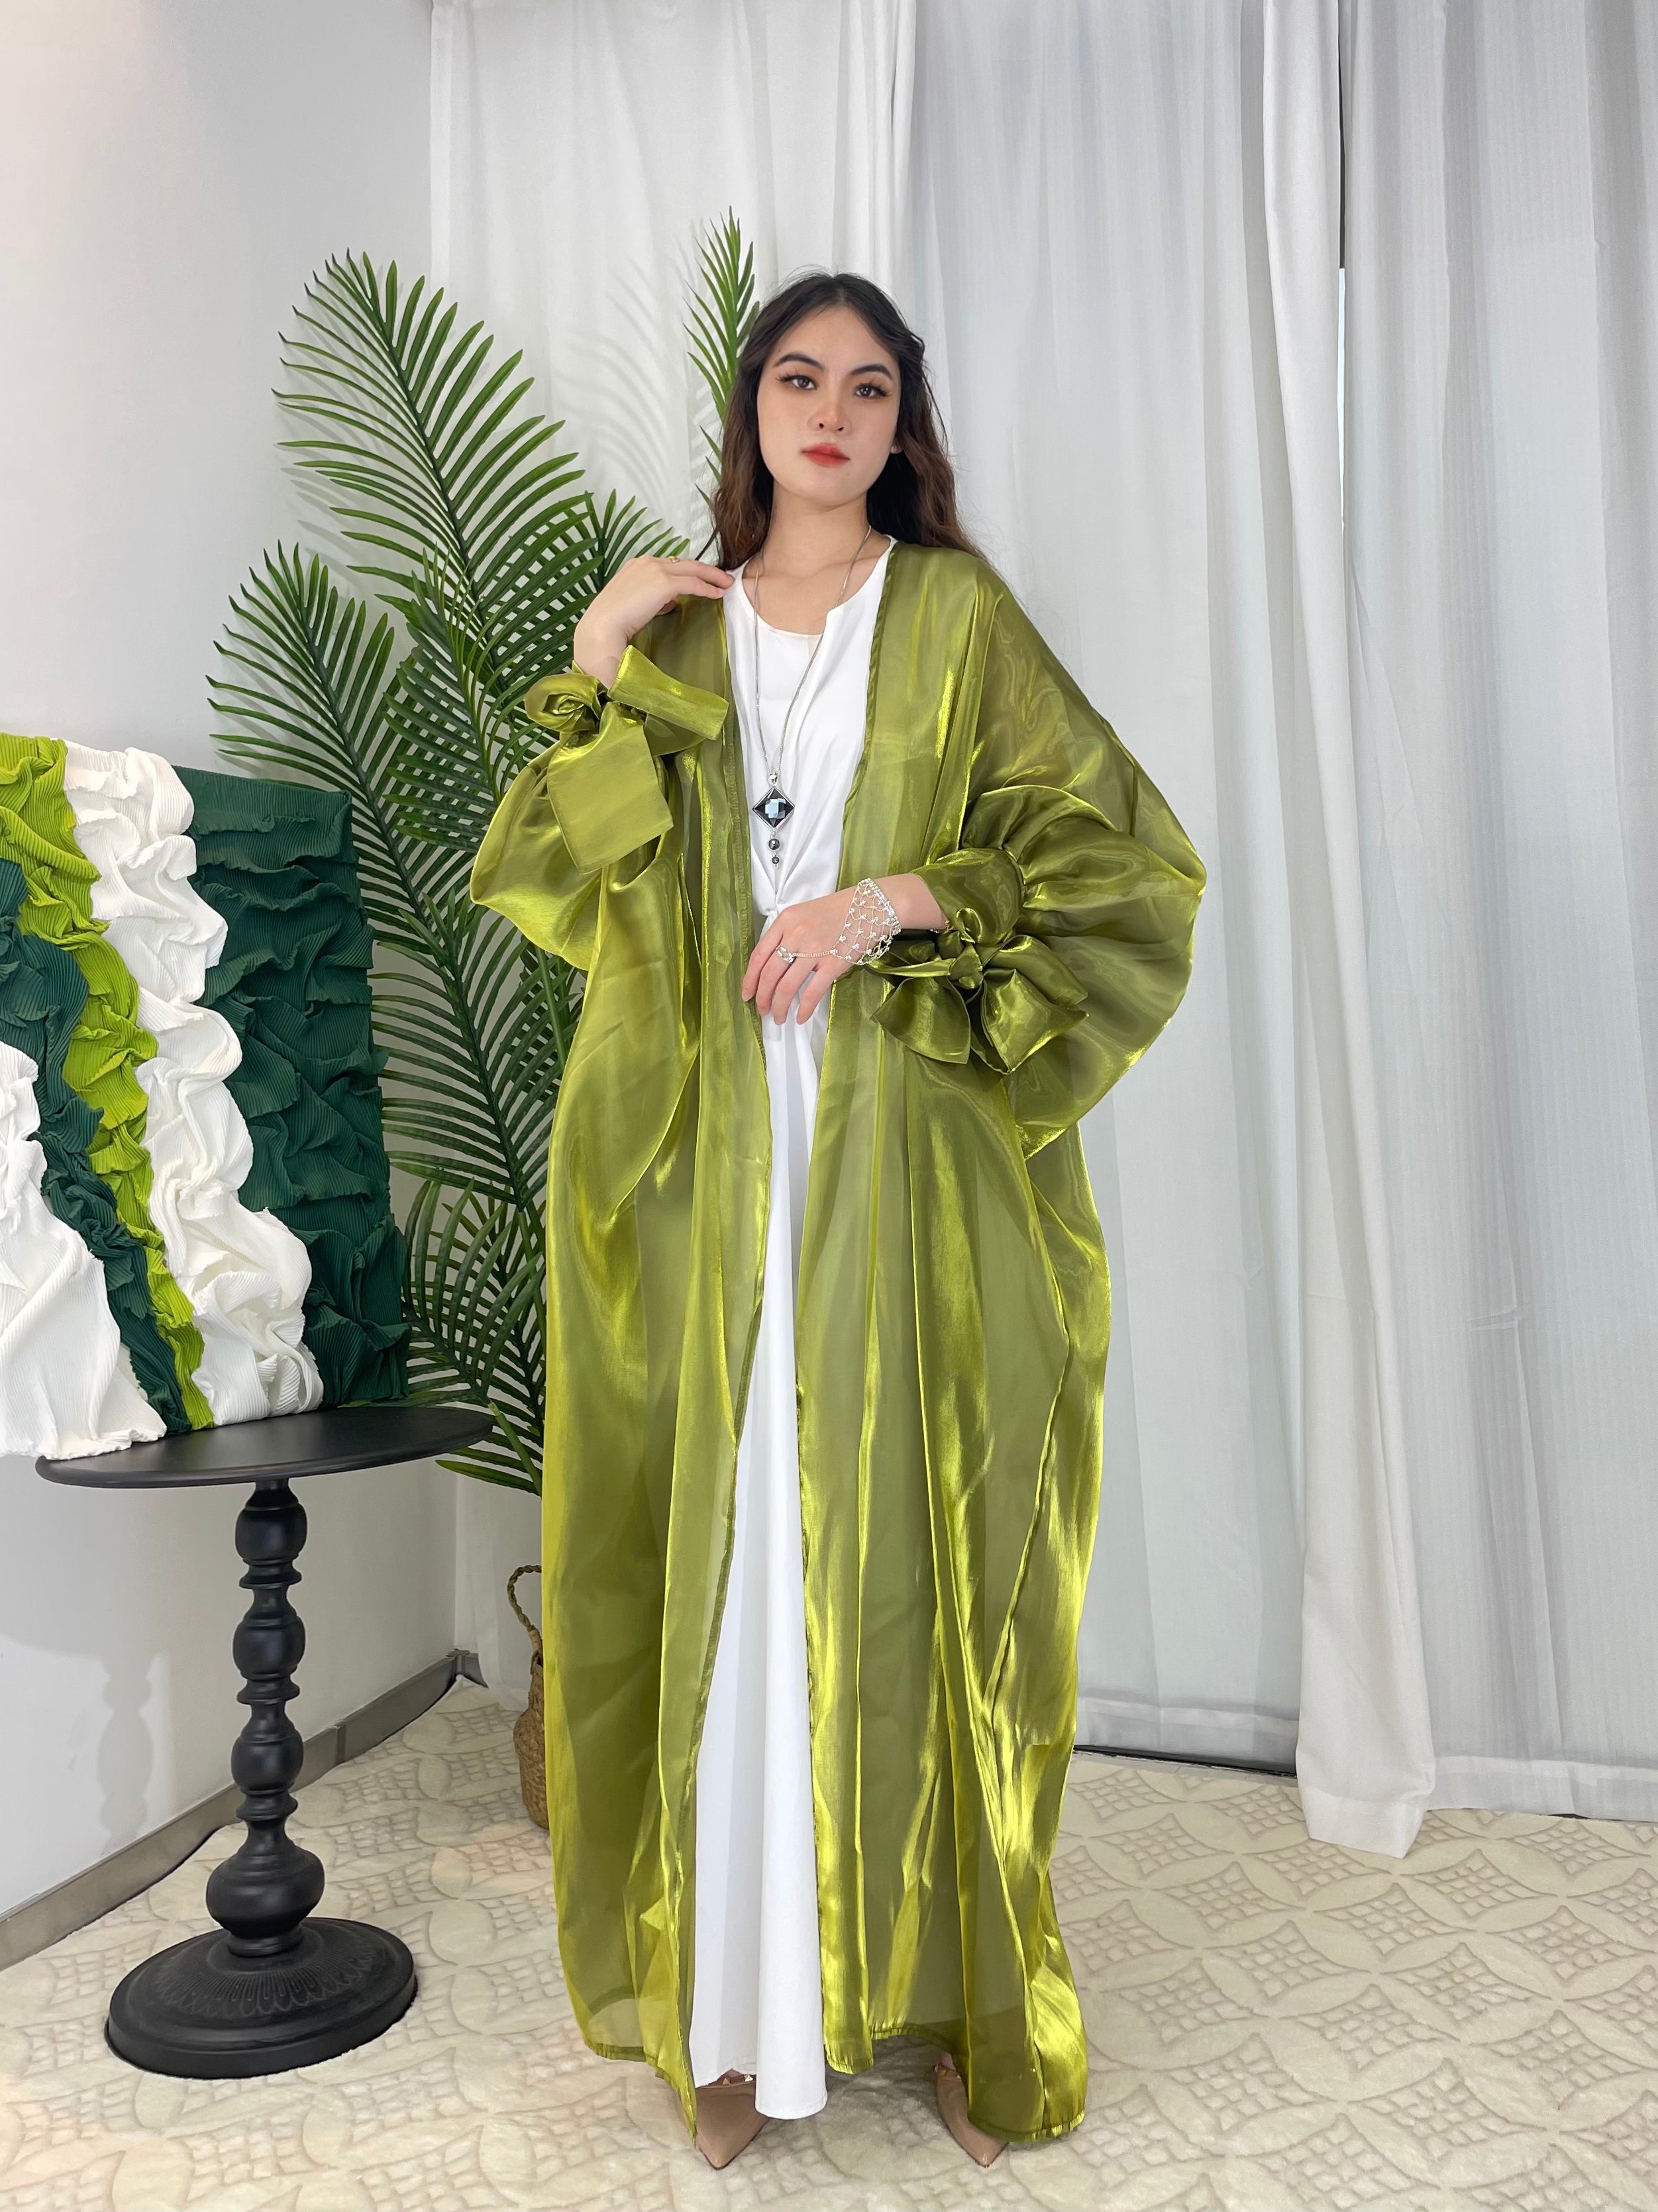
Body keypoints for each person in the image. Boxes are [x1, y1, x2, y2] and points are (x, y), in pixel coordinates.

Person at [469, 271, 1206, 2171]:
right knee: (735, 1560)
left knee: (920, 1548)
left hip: (908, 1155)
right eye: (798, 377)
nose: (830, 411)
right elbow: (563, 876)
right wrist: (601, 655)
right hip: (709, 1154)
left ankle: (953, 1997)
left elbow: (1112, 856)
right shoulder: (684, 628)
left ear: (902, 425)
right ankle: (730, 2020)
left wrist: (886, 899)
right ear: (754, 410)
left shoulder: (953, 613)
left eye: (868, 387)